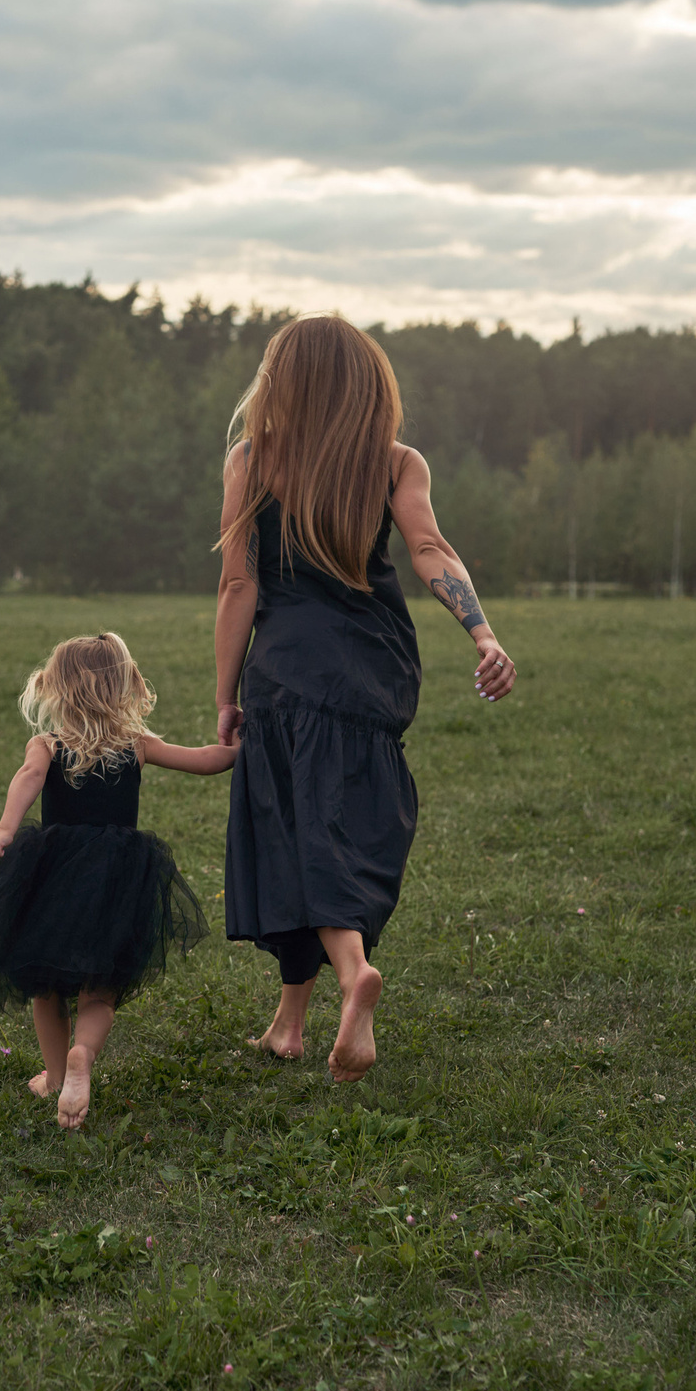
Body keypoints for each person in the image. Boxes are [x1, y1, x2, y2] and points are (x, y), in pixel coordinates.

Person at [214, 315, 514, 1083]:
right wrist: (482, 634)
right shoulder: (395, 462)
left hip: (287, 672)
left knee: (301, 832)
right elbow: (430, 549)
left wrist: (225, 693)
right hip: (374, 670)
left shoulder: (252, 460)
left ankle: (353, 977)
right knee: (331, 820)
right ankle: (288, 1025)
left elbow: (238, 584)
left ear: (283, 379)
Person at [0, 633, 235, 1129]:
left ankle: (58, 1076)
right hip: (119, 878)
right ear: (125, 685)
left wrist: (5, 829)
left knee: (45, 986)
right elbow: (207, 760)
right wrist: (239, 745)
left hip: (51, 876)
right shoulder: (138, 746)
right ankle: (85, 1054)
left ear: (57, 688)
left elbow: (28, 778)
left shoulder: (48, 745)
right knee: (101, 990)